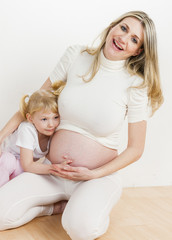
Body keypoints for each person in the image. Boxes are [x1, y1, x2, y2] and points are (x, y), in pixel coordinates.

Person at [0, 10, 163, 240]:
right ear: (113, 26)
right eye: (124, 28)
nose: (124, 39)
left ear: (138, 51)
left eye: (134, 39)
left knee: (80, 228)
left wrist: (93, 173)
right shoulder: (75, 55)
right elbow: (32, 105)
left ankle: (84, 204)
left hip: (96, 178)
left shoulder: (136, 85)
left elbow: (136, 149)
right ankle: (53, 207)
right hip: (52, 170)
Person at [0, 81, 65, 187]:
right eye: (44, 119)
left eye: (55, 117)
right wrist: (55, 168)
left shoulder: (53, 133)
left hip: (21, 165)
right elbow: (28, 165)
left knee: (26, 176)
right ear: (30, 118)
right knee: (8, 161)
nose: (51, 124)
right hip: (6, 158)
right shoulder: (27, 129)